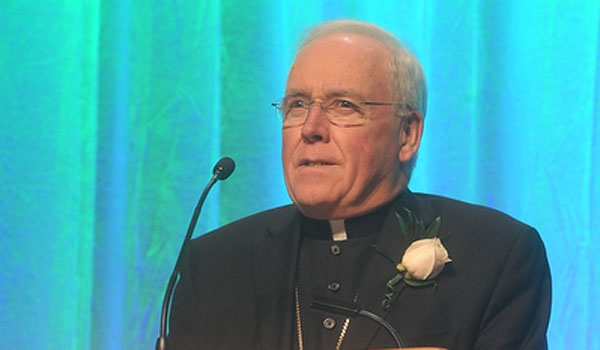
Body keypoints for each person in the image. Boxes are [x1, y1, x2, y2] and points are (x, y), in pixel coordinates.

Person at [168, 19, 551, 349]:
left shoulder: (495, 258)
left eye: (344, 106)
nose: (311, 129)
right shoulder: (214, 264)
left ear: (407, 134)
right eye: (297, 105)